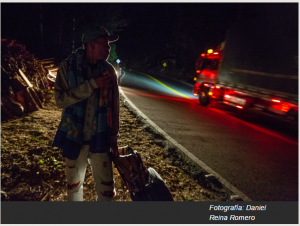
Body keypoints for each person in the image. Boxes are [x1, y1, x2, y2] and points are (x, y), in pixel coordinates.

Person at [52, 25, 120, 201]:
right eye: (104, 44)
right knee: (74, 190)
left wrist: (114, 138)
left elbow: (114, 106)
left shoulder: (109, 71)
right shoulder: (68, 68)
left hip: (101, 139)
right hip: (75, 139)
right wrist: (92, 85)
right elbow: (60, 100)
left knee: (107, 192)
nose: (109, 48)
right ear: (91, 45)